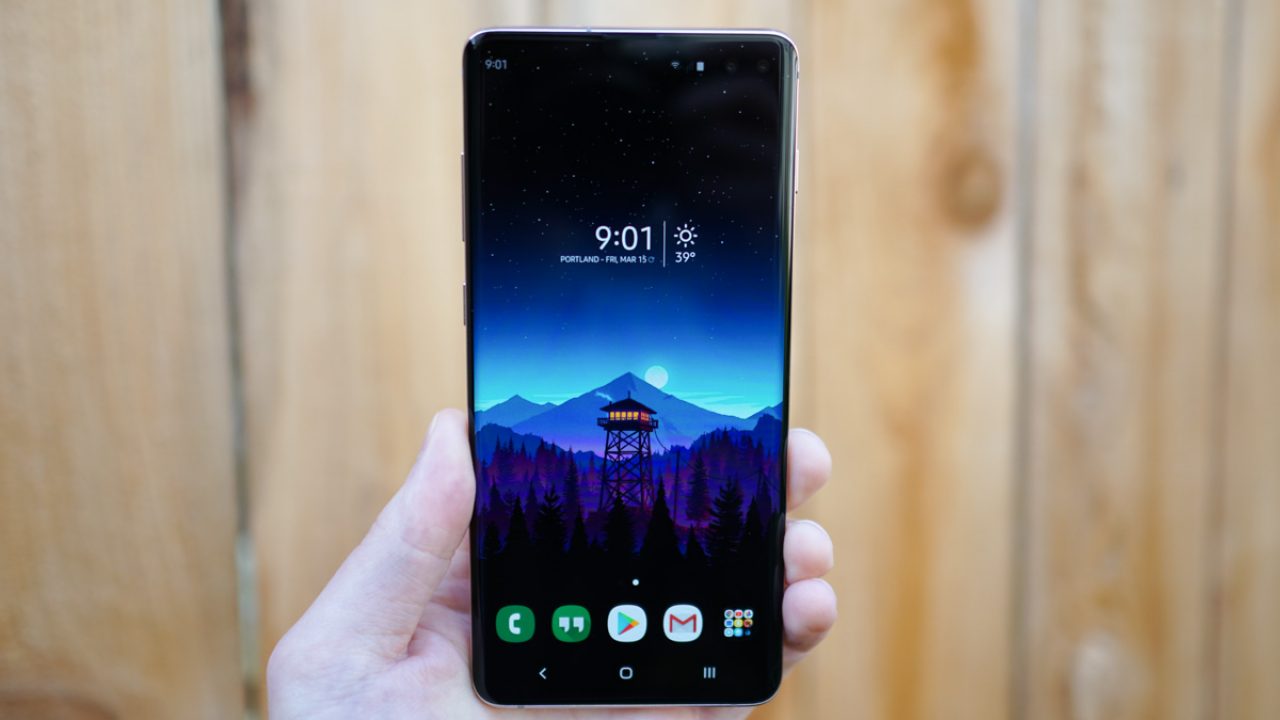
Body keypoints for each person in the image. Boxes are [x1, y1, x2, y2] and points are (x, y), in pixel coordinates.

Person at [268, 409, 836, 718]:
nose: (629, 420)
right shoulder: (631, 449)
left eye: (633, 418)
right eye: (625, 417)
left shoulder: (624, 451)